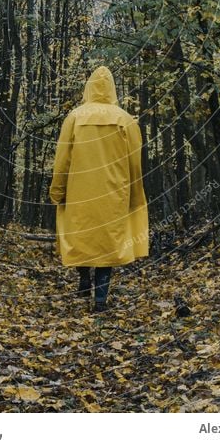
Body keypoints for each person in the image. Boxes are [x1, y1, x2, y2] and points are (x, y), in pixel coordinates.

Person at [49, 65, 149, 312]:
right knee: (107, 242)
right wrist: (136, 196)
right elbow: (135, 161)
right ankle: (100, 300)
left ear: (89, 88)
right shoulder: (125, 119)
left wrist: (57, 190)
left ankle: (84, 277)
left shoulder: (75, 117)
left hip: (79, 192)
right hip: (113, 192)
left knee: (82, 237)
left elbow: (62, 158)